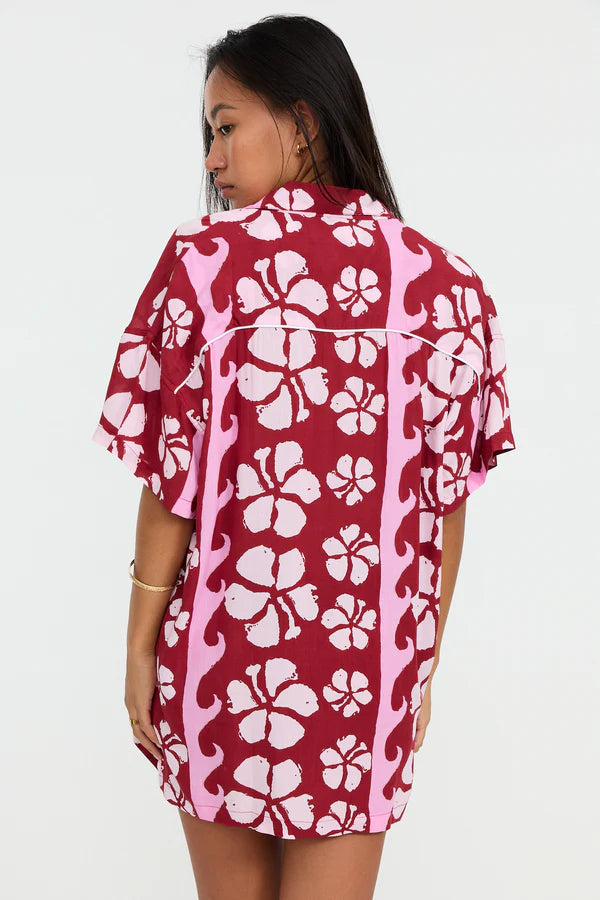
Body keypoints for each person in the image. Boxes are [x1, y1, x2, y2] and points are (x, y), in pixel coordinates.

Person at [91, 14, 516, 900]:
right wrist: (420, 663)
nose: (212, 159)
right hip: (367, 671)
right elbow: (443, 508)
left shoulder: (203, 266)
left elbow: (174, 479)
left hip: (222, 657)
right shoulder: (449, 289)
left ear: (303, 120)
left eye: (224, 127)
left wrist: (138, 647)